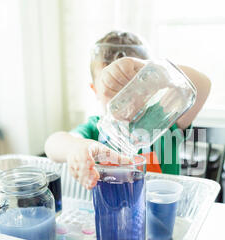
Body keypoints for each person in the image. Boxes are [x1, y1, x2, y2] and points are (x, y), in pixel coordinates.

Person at [45, 31, 211, 189]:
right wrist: (76, 147)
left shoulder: (162, 119)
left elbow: (202, 85)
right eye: (112, 90)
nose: (125, 101)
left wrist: (150, 69)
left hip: (161, 216)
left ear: (150, 87)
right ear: (95, 90)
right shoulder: (95, 129)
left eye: (133, 88)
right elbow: (52, 144)